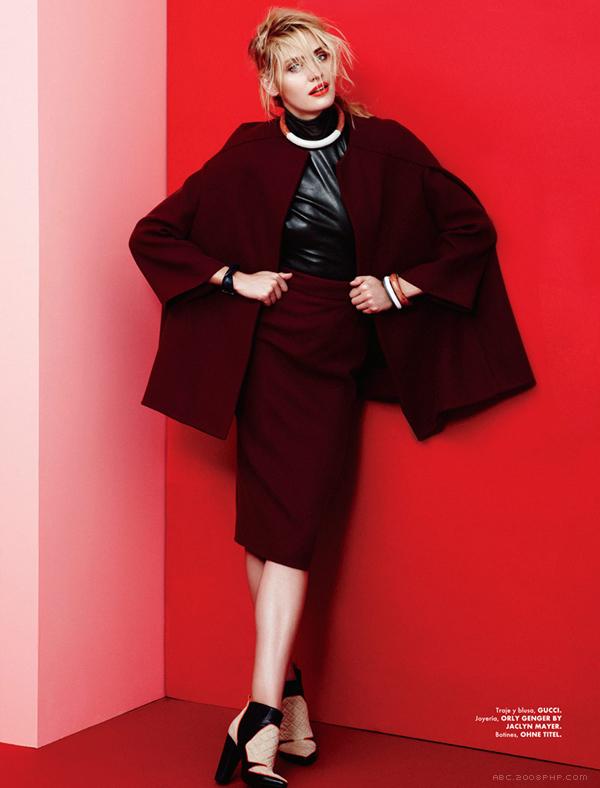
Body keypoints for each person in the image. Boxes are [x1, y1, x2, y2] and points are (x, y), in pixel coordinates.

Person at [128, 8, 535, 787]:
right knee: (273, 529)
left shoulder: (387, 145)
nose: (313, 73)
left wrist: (398, 286)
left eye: (319, 57)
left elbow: (469, 230)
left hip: (335, 347)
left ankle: (269, 710)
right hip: (266, 349)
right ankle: (273, 711)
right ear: (268, 83)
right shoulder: (248, 151)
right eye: (293, 65)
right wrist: (234, 278)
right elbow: (156, 233)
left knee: (285, 528)